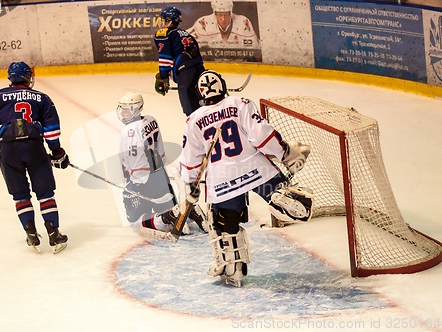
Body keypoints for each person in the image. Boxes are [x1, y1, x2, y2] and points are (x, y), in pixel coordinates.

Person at [178, 70, 314, 287]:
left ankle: (233, 268)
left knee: (223, 224)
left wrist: (191, 182)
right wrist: (285, 152)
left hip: (222, 179)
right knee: (278, 190)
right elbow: (261, 135)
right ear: (223, 86)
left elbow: (190, 161)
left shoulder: (193, 120)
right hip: (255, 168)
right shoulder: (240, 102)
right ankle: (281, 195)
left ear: (200, 94)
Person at [0, 61, 69, 254]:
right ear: (28, 77)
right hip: (34, 148)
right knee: (45, 193)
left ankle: (31, 234)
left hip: (9, 151)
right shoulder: (42, 98)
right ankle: (54, 235)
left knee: (20, 195)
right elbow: (52, 133)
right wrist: (57, 152)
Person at [117, 92, 206, 233]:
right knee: (174, 213)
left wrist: (135, 182)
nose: (123, 113)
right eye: (122, 109)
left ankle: (166, 218)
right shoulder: (150, 120)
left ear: (136, 109)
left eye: (127, 110)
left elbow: (135, 159)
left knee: (135, 222)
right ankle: (190, 212)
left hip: (143, 180)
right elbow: (160, 148)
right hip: (160, 177)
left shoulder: (129, 131)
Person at [154, 6, 205, 116]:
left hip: (185, 71)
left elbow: (164, 58)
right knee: (202, 102)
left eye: (164, 19)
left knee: (190, 109)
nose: (162, 22)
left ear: (169, 21)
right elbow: (199, 58)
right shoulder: (187, 34)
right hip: (197, 68)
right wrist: (203, 75)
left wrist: (163, 77)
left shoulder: (164, 33)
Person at [187, 0, 260, 49]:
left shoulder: (243, 22)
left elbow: (255, 47)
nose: (223, 19)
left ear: (230, 13)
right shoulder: (203, 24)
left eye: (226, 14)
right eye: (220, 15)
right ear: (215, 14)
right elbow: (186, 42)